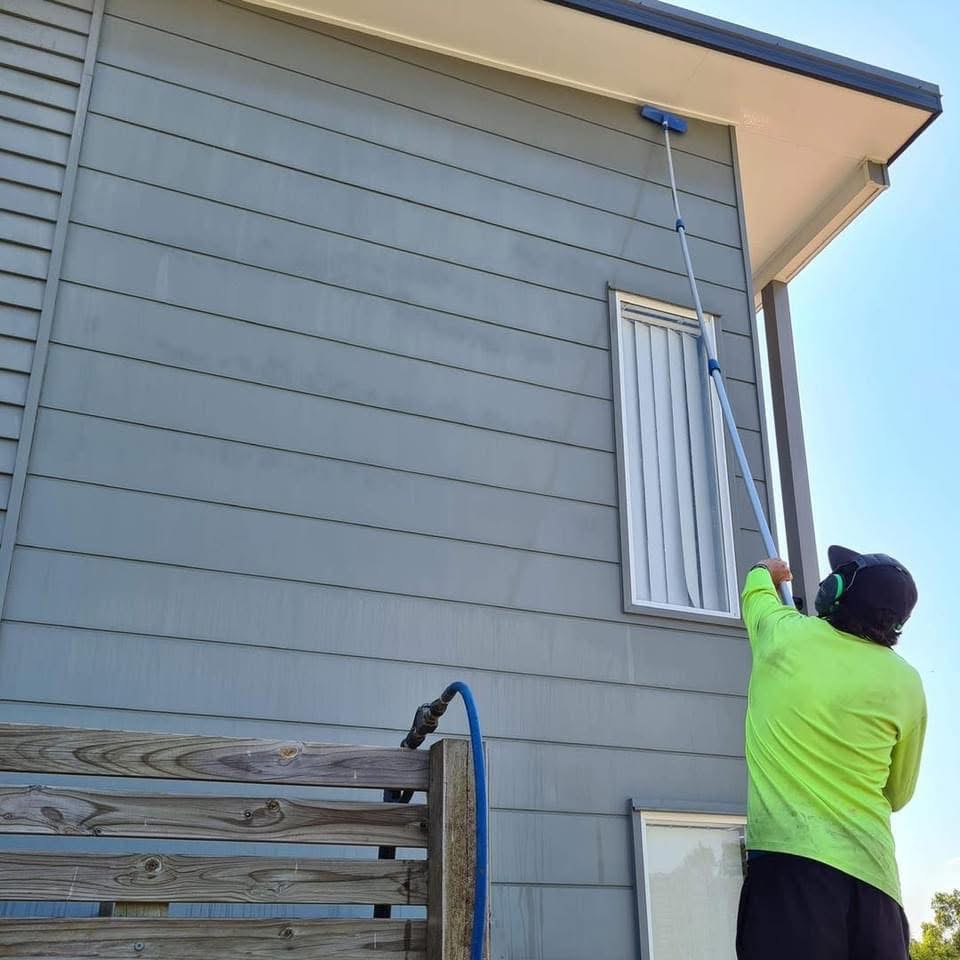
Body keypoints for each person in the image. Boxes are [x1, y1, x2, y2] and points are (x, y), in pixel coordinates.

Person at [736, 545, 926, 960]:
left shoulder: (784, 636)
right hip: (876, 887)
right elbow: (898, 794)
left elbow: (754, 590)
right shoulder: (908, 682)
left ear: (835, 591)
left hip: (791, 872)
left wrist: (765, 570)